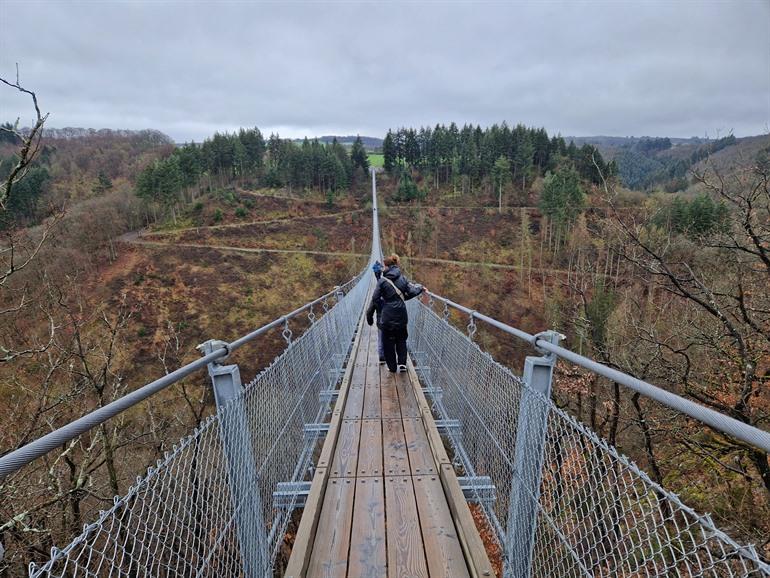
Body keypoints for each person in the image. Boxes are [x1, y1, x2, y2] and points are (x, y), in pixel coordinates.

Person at [366, 254, 424, 373]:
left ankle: (392, 367)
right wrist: (420, 288)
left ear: (386, 267)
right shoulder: (403, 278)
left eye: (383, 266)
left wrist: (383, 306)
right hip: (402, 315)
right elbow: (412, 291)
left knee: (388, 342)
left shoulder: (382, 281)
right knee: (401, 339)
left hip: (387, 316)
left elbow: (375, 298)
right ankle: (402, 363)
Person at [371, 260, 386, 364]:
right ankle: (390, 357)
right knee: (389, 338)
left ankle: (381, 355)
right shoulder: (389, 296)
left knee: (381, 337)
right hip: (389, 319)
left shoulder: (375, 299)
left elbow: (370, 310)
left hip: (380, 320)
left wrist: (369, 319)